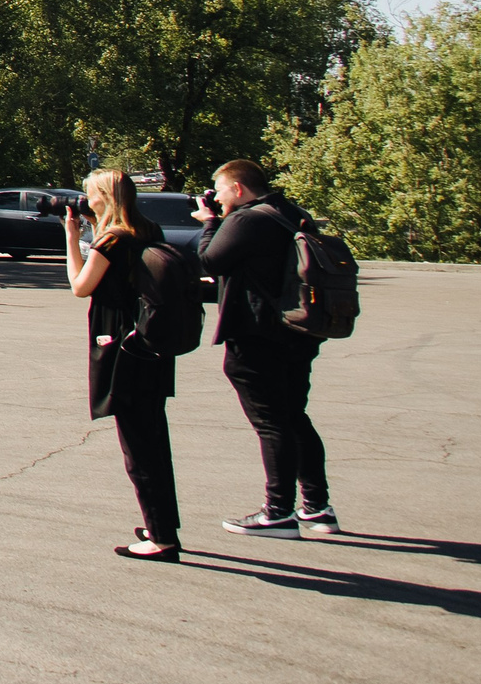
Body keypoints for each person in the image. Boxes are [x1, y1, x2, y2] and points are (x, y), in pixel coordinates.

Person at [195, 159, 338, 539]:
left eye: (220, 190)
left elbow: (209, 261)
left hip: (256, 334)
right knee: (294, 417)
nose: (217, 198)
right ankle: (317, 507)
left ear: (238, 189)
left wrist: (209, 222)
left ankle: (278, 512)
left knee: (272, 423)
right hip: (299, 331)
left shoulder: (246, 219)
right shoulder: (291, 212)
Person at [66, 168, 182, 561]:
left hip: (120, 345)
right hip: (150, 342)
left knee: (138, 447)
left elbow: (80, 286)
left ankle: (162, 539)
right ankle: (161, 524)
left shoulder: (111, 239)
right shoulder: (149, 230)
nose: (87, 200)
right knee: (154, 440)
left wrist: (71, 238)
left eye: (91, 194)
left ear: (106, 196)